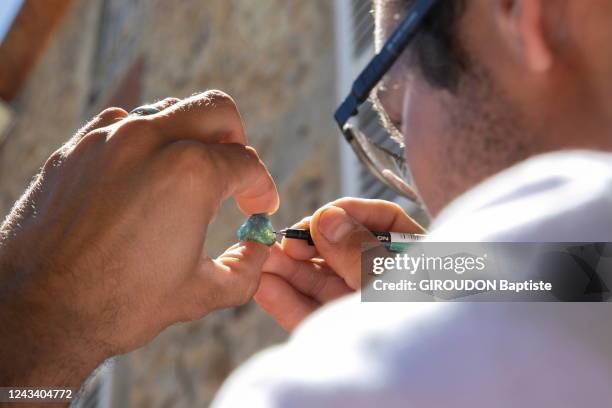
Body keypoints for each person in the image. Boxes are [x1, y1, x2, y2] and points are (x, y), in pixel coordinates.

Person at [0, 0, 611, 406]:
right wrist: (469, 274)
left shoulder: (352, 389)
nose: (419, 190)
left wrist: (40, 317)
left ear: (521, 14)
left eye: (394, 117)